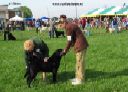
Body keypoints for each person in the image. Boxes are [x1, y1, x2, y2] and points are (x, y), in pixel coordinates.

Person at [59, 15, 89, 85]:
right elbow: (72, 39)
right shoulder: (70, 25)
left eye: (60, 25)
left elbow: (69, 41)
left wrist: (65, 51)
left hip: (80, 46)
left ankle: (80, 80)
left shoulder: (68, 27)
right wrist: (68, 48)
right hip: (79, 45)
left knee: (80, 63)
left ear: (63, 23)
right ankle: (77, 78)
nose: (60, 27)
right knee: (78, 62)